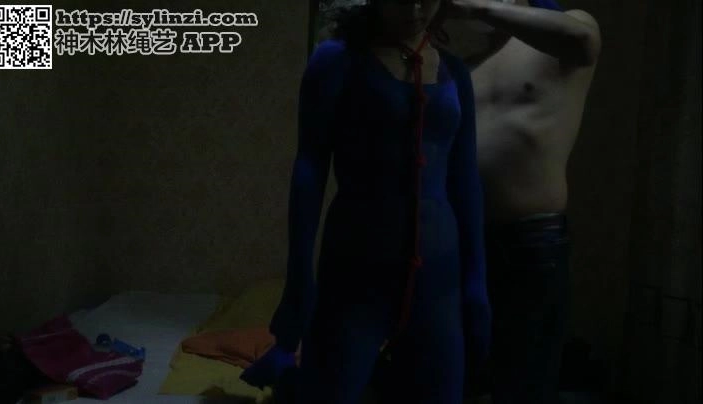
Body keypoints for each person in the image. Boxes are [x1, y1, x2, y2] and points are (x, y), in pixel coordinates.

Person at [239, 1, 489, 402]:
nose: (414, 6)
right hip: (355, 275)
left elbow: (466, 180)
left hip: (440, 280)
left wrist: (476, 283)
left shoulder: (454, 71)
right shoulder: (337, 60)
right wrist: (299, 280)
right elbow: (310, 169)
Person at [448, 1, 602, 403]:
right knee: (457, 379)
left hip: (531, 242)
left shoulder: (568, 27)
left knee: (524, 383)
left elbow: (581, 39)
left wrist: (472, 7)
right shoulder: (467, 57)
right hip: (463, 240)